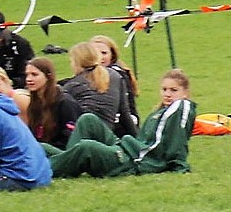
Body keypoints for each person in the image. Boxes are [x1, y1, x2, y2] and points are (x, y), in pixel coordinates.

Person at [46, 69, 196, 178]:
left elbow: (178, 142)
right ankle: (66, 160)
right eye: (164, 89)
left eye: (173, 90)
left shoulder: (181, 108)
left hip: (133, 161)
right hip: (128, 148)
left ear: (185, 93)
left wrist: (179, 165)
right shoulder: (158, 112)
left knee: (87, 147)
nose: (167, 94)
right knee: (88, 120)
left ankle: (43, 169)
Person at [60, 41, 136, 137]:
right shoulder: (115, 76)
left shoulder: (72, 86)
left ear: (76, 62)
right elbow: (125, 114)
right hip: (109, 137)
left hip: (84, 139)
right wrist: (137, 141)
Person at [24, 57, 81, 150]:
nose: (29, 79)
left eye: (34, 75)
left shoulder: (65, 103)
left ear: (48, 76)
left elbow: (71, 138)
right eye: (27, 75)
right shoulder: (35, 103)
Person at [91, 34, 140, 125]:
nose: (100, 57)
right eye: (95, 52)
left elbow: (128, 109)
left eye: (104, 53)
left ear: (112, 56)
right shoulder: (83, 76)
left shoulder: (119, 75)